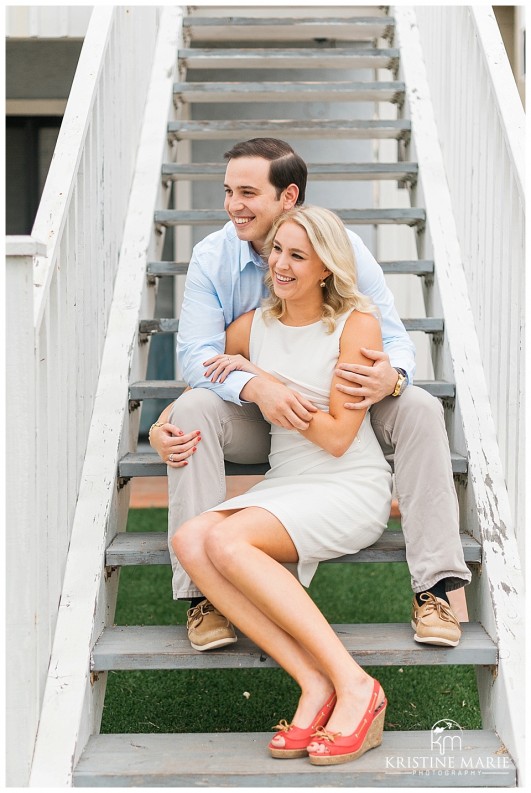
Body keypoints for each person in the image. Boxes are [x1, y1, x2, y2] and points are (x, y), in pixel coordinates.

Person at [149, 138, 470, 652]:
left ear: (288, 196)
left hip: (341, 410)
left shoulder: (337, 247)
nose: (234, 205)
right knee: (191, 408)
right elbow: (199, 360)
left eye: (248, 192)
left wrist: (394, 379)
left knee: (419, 406)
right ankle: (204, 596)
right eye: (229, 191)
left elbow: (391, 338)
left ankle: (436, 586)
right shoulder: (214, 258)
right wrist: (248, 389)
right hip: (255, 415)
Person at [172, 206, 391, 765]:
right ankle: (313, 684)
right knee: (189, 541)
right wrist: (159, 426)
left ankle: (356, 685)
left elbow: (340, 436)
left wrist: (267, 382)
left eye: (298, 255)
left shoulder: (355, 325)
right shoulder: (252, 327)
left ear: (326, 268)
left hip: (346, 482)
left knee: (224, 541)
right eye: (277, 252)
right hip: (288, 482)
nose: (281, 265)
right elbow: (204, 376)